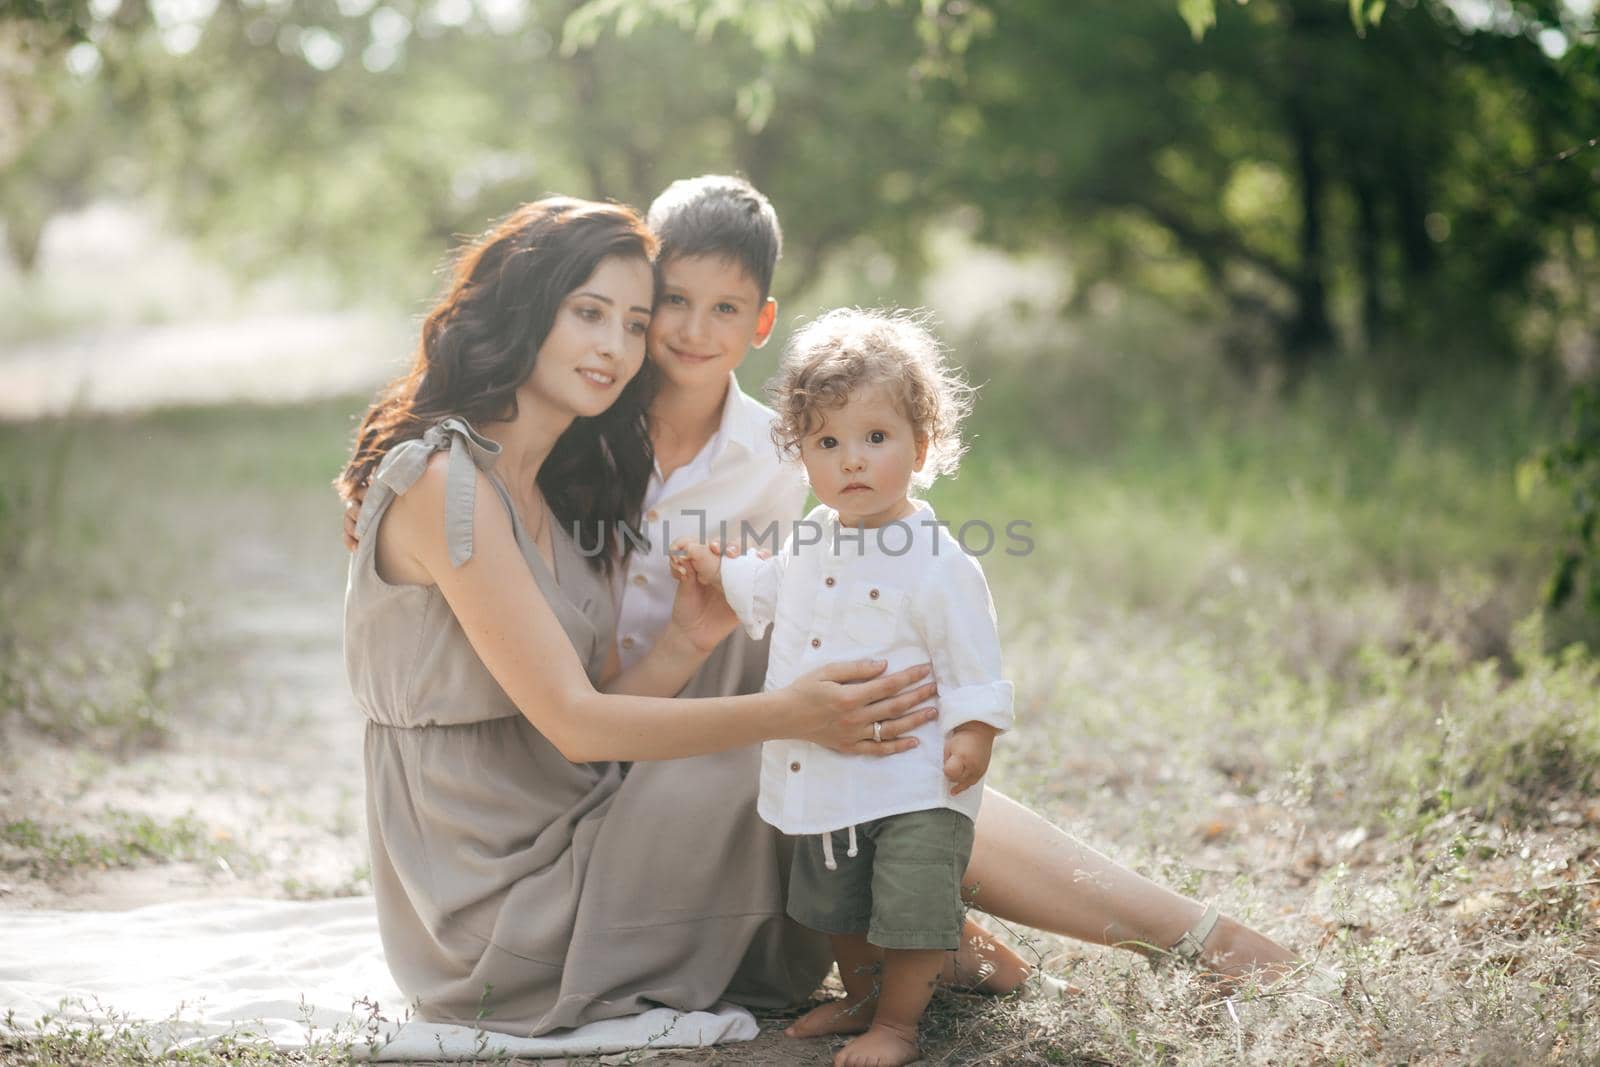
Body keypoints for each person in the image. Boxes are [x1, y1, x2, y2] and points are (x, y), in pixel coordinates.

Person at [337, 196, 943, 1036]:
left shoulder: (549, 481)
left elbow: (586, 705)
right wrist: (793, 716)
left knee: (780, 648)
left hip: (575, 819)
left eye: (631, 322)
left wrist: (686, 641)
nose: (616, 348)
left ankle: (954, 920)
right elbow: (576, 725)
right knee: (797, 738)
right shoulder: (444, 482)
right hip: (501, 911)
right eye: (588, 314)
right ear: (525, 308)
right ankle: (950, 922)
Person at [672, 307, 1009, 1067]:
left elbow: (974, 656)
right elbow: (768, 586)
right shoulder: (810, 537)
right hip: (825, 769)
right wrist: (717, 568)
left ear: (921, 449)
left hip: (915, 774)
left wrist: (975, 729)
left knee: (911, 903)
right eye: (827, 442)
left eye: (875, 438)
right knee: (837, 903)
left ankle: (897, 1022)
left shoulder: (937, 560)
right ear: (802, 455)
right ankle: (860, 996)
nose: (850, 461)